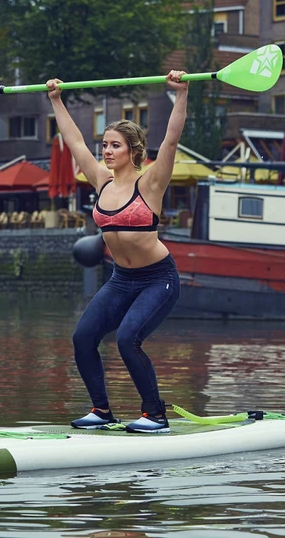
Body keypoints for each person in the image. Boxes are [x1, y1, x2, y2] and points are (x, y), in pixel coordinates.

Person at [46, 70, 188, 434]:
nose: (106, 152)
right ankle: (101, 410)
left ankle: (155, 415)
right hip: (122, 280)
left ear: (134, 151)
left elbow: (171, 140)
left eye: (115, 146)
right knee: (83, 338)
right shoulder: (100, 179)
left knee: (127, 339)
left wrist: (182, 93)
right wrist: (56, 100)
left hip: (158, 279)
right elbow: (74, 139)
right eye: (105, 145)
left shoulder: (151, 182)